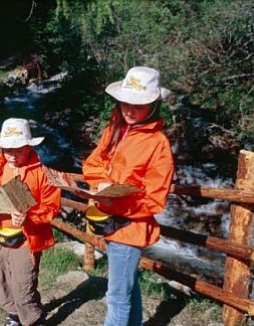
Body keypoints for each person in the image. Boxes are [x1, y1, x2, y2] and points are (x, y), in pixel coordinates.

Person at [82, 66, 175, 326]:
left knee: (117, 297)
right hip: (111, 220)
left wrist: (117, 199)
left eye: (138, 105)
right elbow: (93, 163)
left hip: (130, 227)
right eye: (125, 103)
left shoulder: (158, 144)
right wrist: (102, 183)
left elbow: (155, 198)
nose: (130, 110)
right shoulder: (114, 128)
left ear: (154, 105)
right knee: (128, 289)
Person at [0, 118, 61, 326]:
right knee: (4, 279)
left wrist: (29, 217)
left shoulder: (42, 174)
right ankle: (13, 316)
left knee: (24, 284)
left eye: (19, 150)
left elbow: (52, 208)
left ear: (29, 147)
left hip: (26, 240)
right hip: (1, 236)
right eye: (7, 150)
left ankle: (34, 320)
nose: (12, 155)